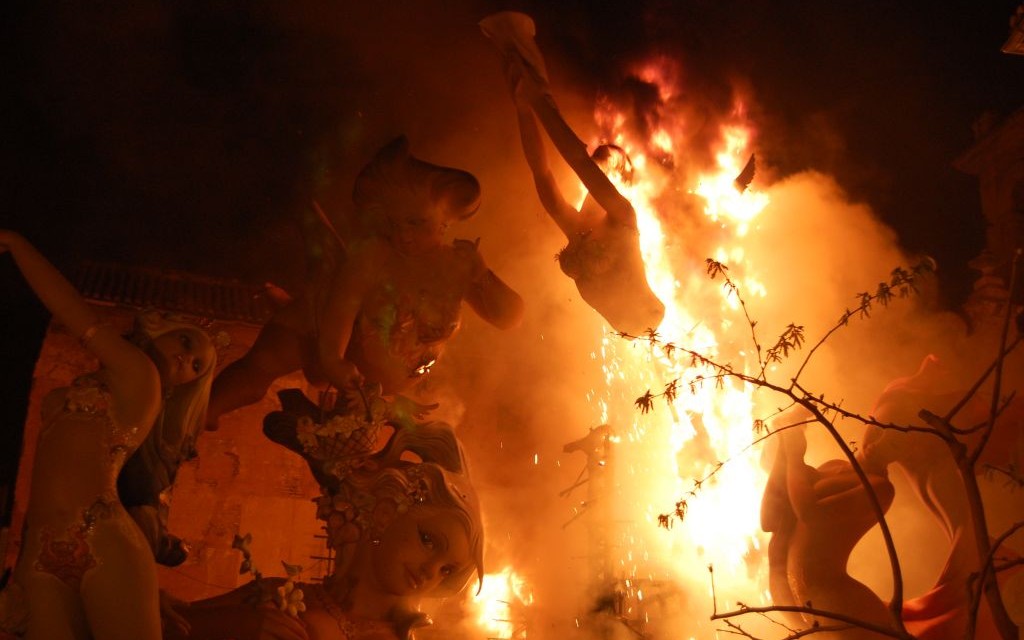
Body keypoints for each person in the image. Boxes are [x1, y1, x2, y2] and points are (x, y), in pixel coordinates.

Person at [204, 135, 524, 431]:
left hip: (383, 384)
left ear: (445, 220)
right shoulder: (373, 257)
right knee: (265, 361)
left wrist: (482, 275)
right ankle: (199, 414)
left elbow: (509, 317)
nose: (404, 234)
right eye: (394, 222)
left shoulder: (457, 266)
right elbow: (343, 305)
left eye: (415, 222)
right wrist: (333, 359)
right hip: (324, 336)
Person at [0, 230, 216, 640]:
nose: (187, 358)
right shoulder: (100, 384)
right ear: (163, 328)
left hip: (103, 540)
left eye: (196, 366)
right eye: (187, 342)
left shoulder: (142, 377)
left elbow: (71, 310)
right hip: (42, 551)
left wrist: (16, 245)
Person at [166, 405, 484, 640]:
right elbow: (158, 625)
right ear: (387, 512)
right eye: (428, 541)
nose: (431, 571)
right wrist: (231, 625)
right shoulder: (277, 595)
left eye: (447, 570)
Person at [481, 12, 666, 336]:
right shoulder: (586, 229)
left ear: (617, 176)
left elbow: (571, 165)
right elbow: (545, 175)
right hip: (634, 320)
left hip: (640, 319)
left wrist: (534, 104)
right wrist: (526, 108)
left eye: (605, 165)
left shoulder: (621, 219)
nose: (597, 171)